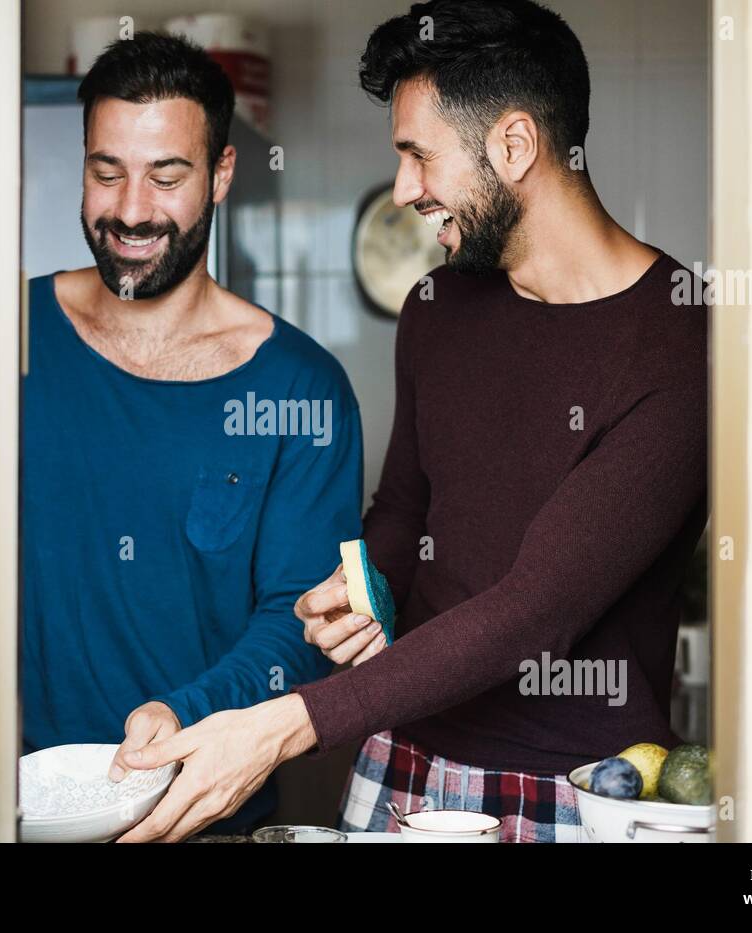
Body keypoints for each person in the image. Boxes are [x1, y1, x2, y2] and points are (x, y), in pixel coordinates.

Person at [118, 0, 706, 843]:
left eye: (417, 155)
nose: (403, 190)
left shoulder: (680, 342)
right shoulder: (437, 303)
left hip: (573, 795)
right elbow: (405, 512)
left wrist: (287, 723)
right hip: (404, 769)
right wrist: (364, 587)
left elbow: (538, 611)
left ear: (514, 145)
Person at [22, 31, 363, 832]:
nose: (131, 210)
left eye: (166, 176)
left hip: (203, 818)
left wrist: (184, 712)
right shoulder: (1, 335)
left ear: (220, 176)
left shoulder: (302, 389)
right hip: (2, 811)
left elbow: (299, 620)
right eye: (107, 172)